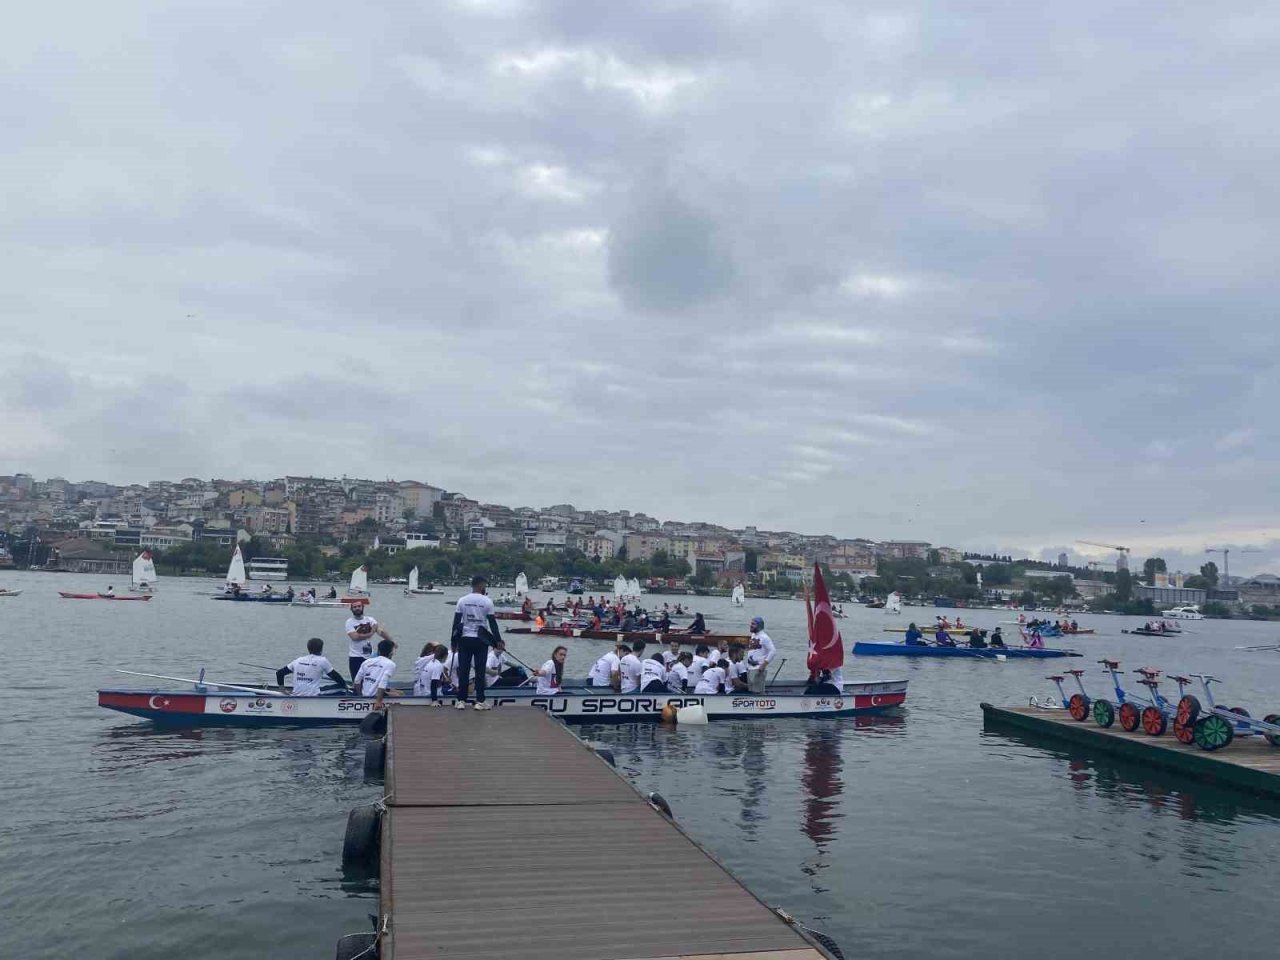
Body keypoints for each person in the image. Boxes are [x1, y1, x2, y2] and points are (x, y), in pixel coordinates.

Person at [451, 575, 504, 710]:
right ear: (480, 585)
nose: (485, 587)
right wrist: (498, 641)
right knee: (480, 671)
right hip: (481, 639)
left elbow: (456, 623)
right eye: (485, 585)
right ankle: (480, 701)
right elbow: (492, 624)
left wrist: (453, 642)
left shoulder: (462, 600)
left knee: (464, 670)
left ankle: (461, 701)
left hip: (464, 639)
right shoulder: (487, 601)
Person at [276, 637, 347, 695]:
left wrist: (283, 691)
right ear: (321, 649)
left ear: (308, 649)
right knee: (341, 687)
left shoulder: (298, 660)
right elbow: (336, 677)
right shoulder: (322, 660)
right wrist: (345, 685)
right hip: (313, 694)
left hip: (297, 692)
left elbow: (279, 673)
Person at [345, 601, 393, 681]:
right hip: (356, 656)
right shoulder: (349, 622)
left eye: (359, 606)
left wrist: (392, 642)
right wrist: (371, 633)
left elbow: (380, 631)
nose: (357, 608)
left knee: (370, 680)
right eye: (355, 607)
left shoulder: (370, 619)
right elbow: (355, 637)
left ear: (362, 607)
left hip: (370, 657)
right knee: (357, 680)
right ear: (351, 609)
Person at [353, 638, 398, 708]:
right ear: (391, 653)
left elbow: (356, 681)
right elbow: (382, 683)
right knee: (399, 695)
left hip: (364, 695)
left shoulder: (367, 662)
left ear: (378, 651)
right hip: (376, 696)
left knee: (397, 692)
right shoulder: (390, 664)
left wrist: (360, 697)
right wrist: (378, 701)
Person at [747, 617, 775, 693]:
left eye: (753, 624)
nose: (751, 625)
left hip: (758, 669)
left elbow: (773, 651)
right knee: (751, 692)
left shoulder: (765, 637)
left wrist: (764, 664)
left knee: (758, 692)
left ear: (759, 626)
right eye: (751, 623)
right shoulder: (753, 635)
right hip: (750, 668)